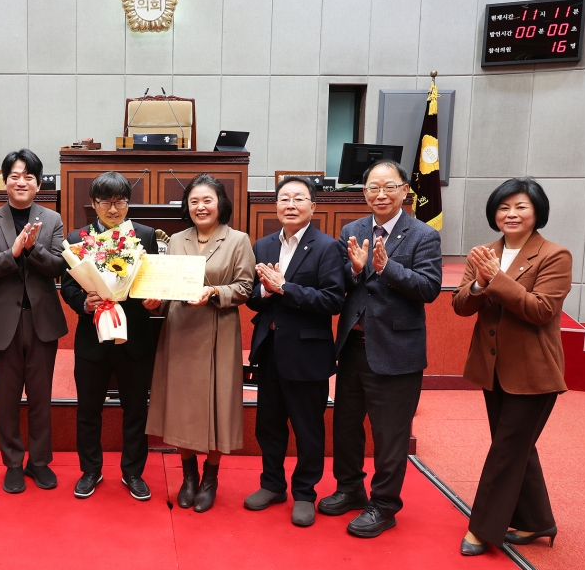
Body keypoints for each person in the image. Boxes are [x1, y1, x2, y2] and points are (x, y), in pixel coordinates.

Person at [319, 159, 441, 538]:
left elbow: (429, 288)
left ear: (405, 190)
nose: (380, 194)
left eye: (389, 187)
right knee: (346, 426)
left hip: (396, 349)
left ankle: (384, 505)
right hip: (353, 346)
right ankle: (350, 487)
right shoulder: (353, 229)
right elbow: (340, 282)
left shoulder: (423, 235)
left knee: (390, 434)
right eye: (373, 187)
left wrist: (387, 268)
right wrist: (355, 270)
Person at [452, 178, 570, 556]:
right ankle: (537, 521)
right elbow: (461, 305)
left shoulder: (554, 255)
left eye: (521, 206)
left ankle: (483, 529)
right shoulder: (483, 252)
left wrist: (496, 280)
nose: (511, 214)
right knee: (518, 448)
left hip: (534, 373)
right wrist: (476, 285)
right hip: (492, 369)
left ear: (537, 212)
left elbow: (541, 310)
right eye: (504, 207)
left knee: (506, 450)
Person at [145, 174, 255, 513]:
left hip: (219, 330)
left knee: (218, 405)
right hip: (180, 331)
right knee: (182, 407)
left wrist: (214, 292)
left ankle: (210, 477)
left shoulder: (237, 240)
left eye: (207, 200)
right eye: (194, 201)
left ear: (220, 203)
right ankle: (188, 477)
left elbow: (245, 287)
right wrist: (154, 301)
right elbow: (166, 285)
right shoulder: (176, 240)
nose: (200, 206)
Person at [244, 176, 345, 527]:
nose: (290, 204)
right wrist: (266, 293)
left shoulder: (327, 247)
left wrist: (285, 288)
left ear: (313, 206)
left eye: (299, 199)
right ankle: (272, 484)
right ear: (275, 205)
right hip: (269, 349)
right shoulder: (264, 245)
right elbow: (253, 298)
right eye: (284, 198)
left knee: (307, 428)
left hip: (307, 354)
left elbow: (333, 301)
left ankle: (305, 493)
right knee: (268, 426)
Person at [0, 149, 68, 494]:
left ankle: (39, 462)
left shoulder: (52, 220)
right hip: (3, 321)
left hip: (42, 320)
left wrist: (33, 249)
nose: (21, 181)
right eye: (14, 175)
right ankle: (13, 461)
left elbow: (59, 266)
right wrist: (11, 253)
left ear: (39, 184)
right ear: (5, 181)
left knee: (41, 397)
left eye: (28, 176)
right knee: (6, 398)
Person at [60, 172, 159, 501]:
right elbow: (69, 287)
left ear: (128, 203)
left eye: (120, 202)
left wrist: (153, 297)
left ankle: (133, 472)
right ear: (93, 203)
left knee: (136, 410)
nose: (113, 209)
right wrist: (84, 303)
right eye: (106, 202)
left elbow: (153, 280)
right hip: (93, 339)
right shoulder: (78, 236)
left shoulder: (144, 235)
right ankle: (90, 470)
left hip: (135, 338)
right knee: (88, 410)